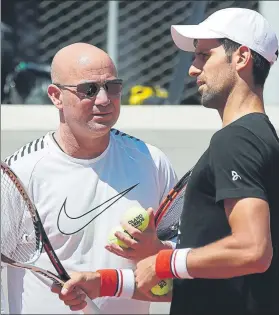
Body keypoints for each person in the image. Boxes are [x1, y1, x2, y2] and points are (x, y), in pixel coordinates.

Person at [51, 8, 279, 315]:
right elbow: (212, 283)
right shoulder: (260, 138)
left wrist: (162, 260)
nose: (192, 69)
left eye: (203, 56)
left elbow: (253, 250)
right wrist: (106, 282)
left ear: (241, 57)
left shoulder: (235, 141)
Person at [2, 42, 178, 314]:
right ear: (55, 96)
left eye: (113, 87)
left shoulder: (151, 161)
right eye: (89, 90)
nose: (104, 99)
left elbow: (182, 257)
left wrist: (158, 248)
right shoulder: (22, 172)